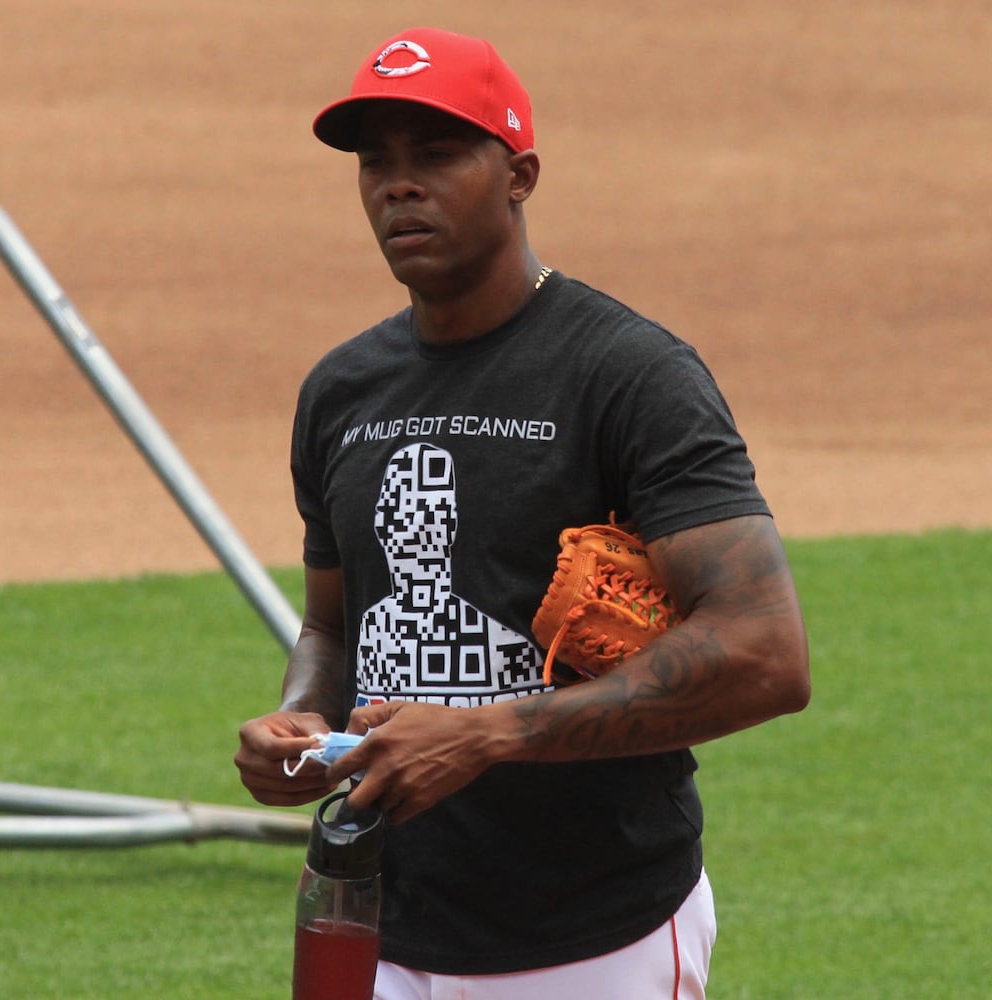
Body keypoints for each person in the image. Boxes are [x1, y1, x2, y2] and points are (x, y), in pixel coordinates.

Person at [235, 26, 811, 999]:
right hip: (383, 926)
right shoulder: (341, 391)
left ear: (518, 174)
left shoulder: (626, 375)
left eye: (437, 154)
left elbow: (765, 653)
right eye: (377, 162)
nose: (397, 185)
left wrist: (489, 731)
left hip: (591, 938)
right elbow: (335, 624)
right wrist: (299, 721)